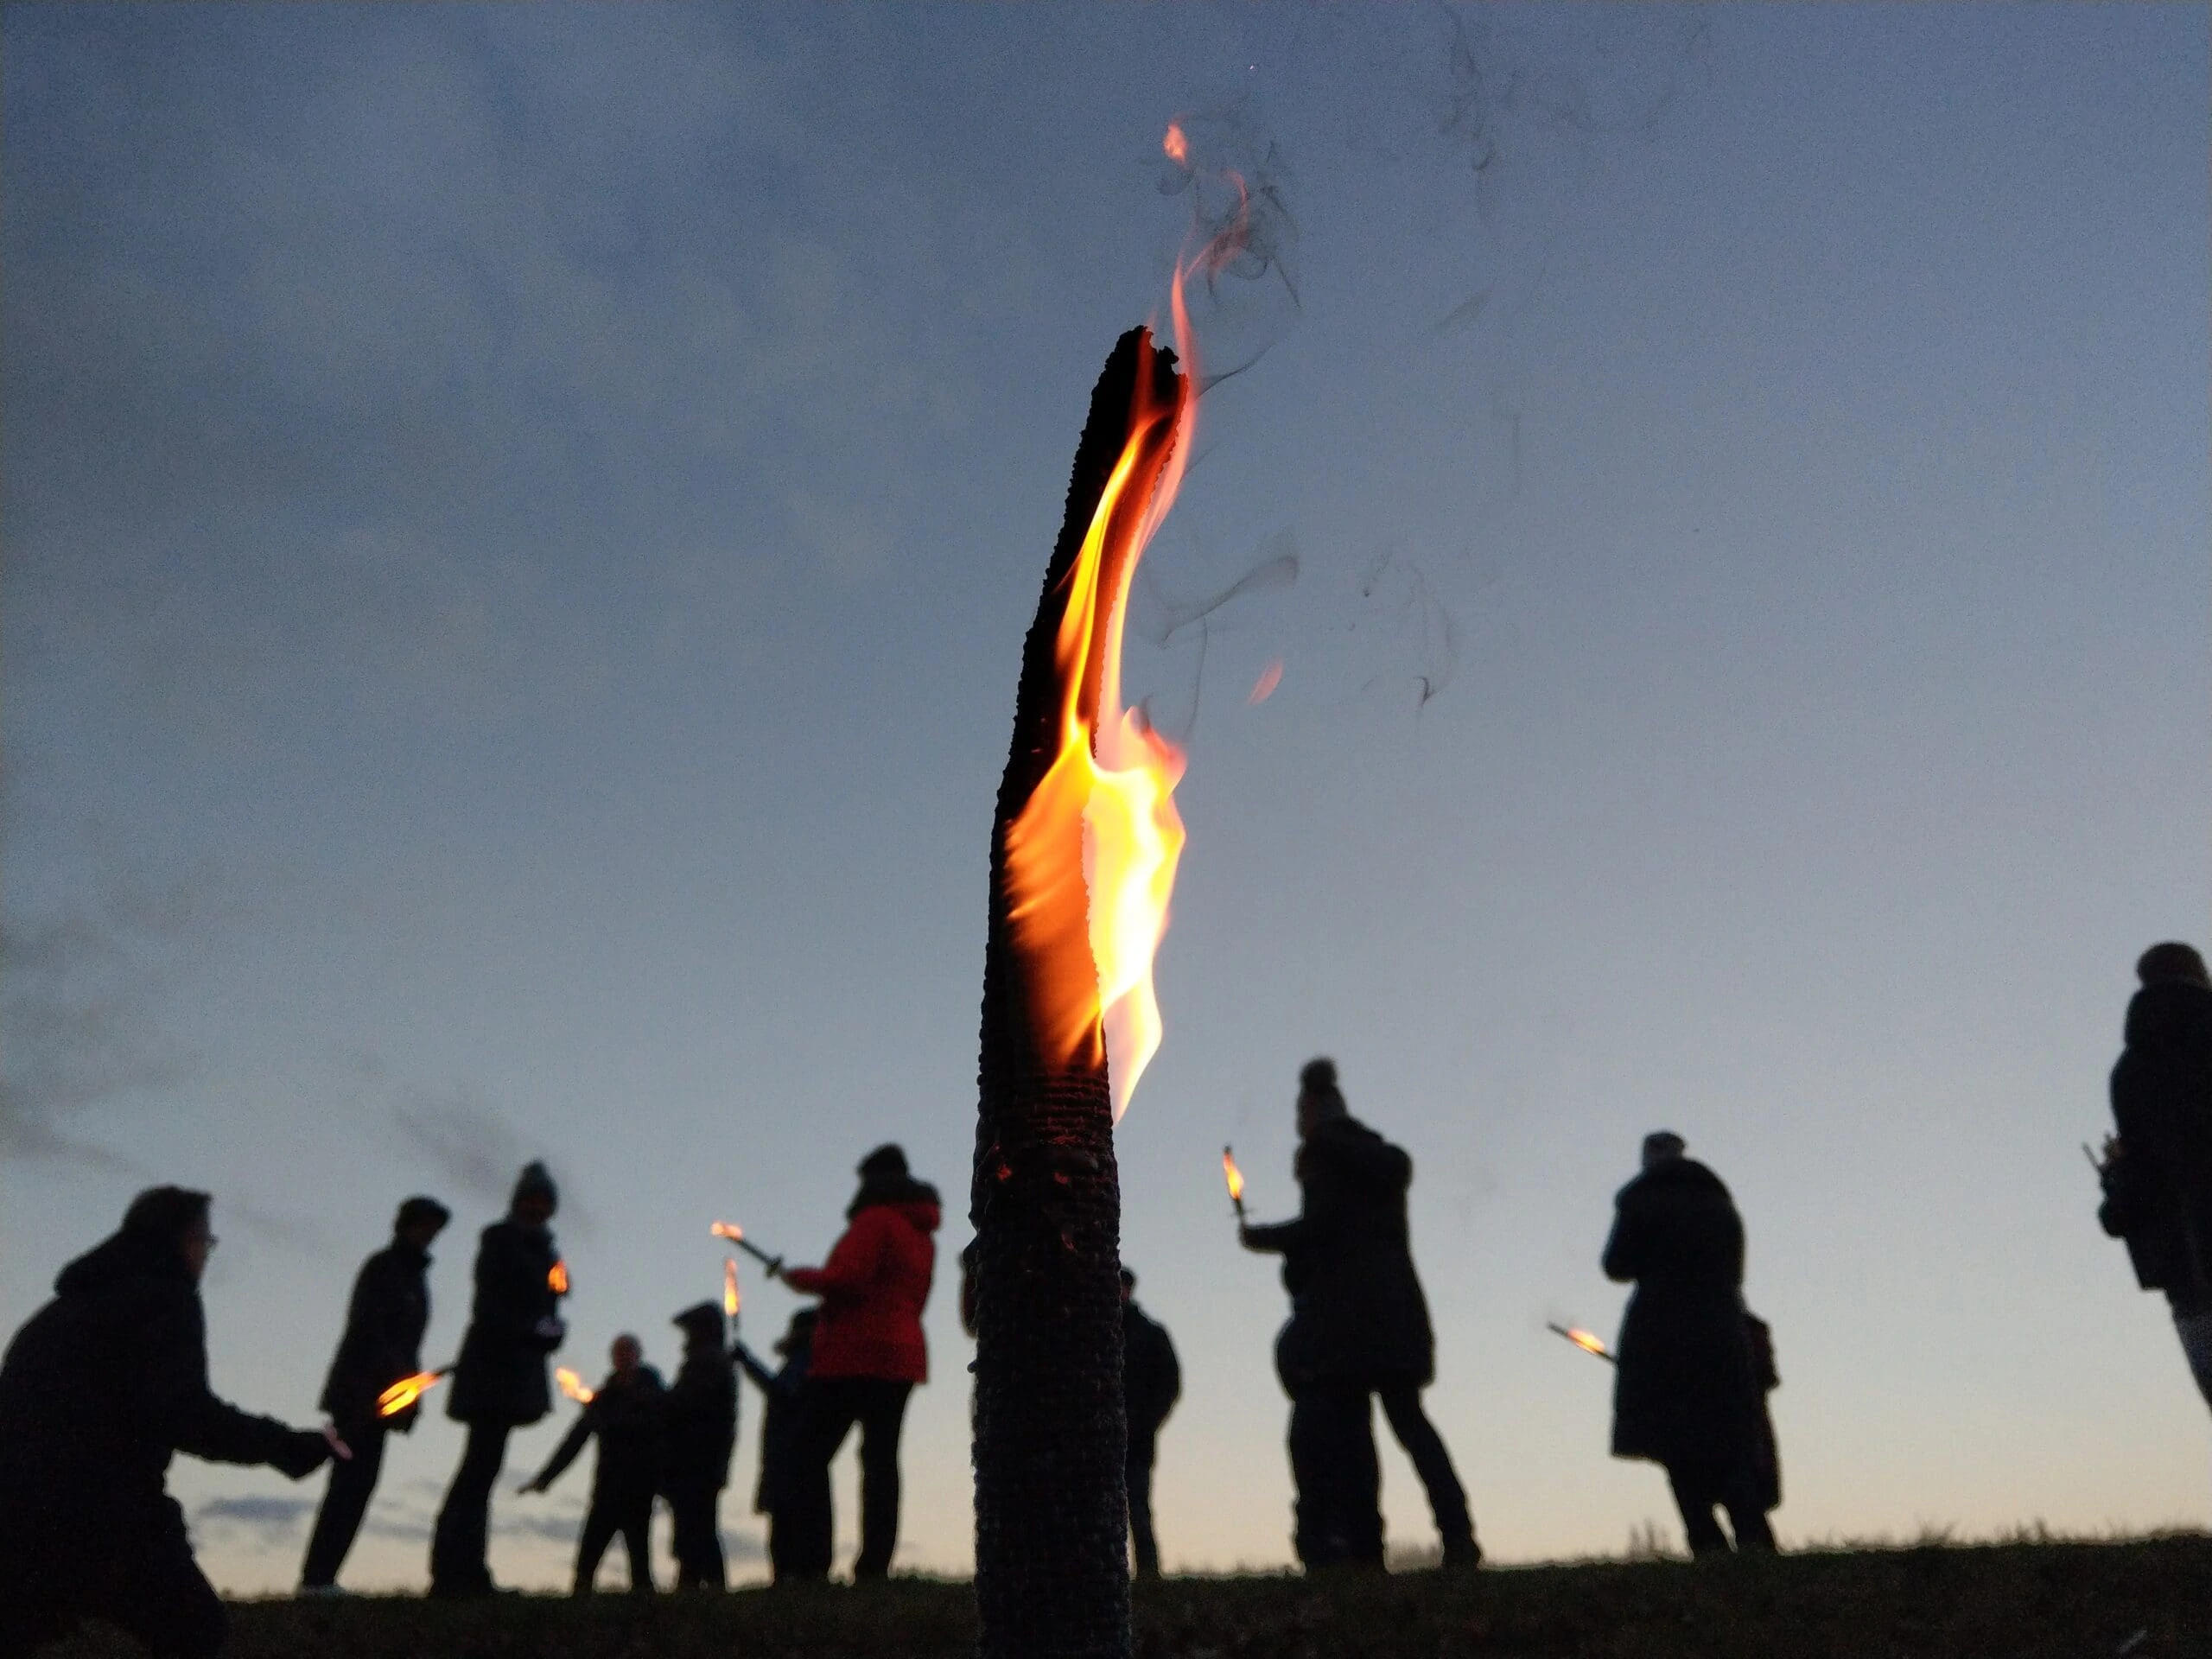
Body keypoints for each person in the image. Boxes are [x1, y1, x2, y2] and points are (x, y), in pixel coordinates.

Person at [0, 1187, 335, 1659]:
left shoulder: (57, 1314)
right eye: (205, 1240)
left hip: (16, 1512)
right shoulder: (165, 1297)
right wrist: (285, 1446)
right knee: (193, 1631)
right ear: (179, 1239)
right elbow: (185, 1413)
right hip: (108, 1513)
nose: (205, 1254)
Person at [1240, 1058, 1478, 1572]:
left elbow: (1321, 1229)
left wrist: (1261, 1238)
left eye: (1300, 1117)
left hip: (1345, 1324)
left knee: (1357, 1440)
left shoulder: (1324, 1158)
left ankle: (1368, 1550)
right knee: (1411, 1425)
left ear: (1313, 1114)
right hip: (1394, 1316)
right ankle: (1459, 1537)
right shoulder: (1379, 1160)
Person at [1602, 1131, 1776, 1557]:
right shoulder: (1721, 1205)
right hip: (1722, 1335)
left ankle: (1708, 1546)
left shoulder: (1640, 1199)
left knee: (1675, 1447)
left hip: (1659, 1339)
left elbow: (1616, 1265)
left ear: (1648, 1160)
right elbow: (1736, 1272)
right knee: (1728, 1444)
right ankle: (1756, 1545)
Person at [773, 1143, 941, 1581]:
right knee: (881, 1461)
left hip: (855, 1355)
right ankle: (874, 1567)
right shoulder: (921, 1234)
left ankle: (810, 1565)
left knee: (806, 1456)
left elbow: (849, 1281)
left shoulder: (876, 1220)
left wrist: (800, 1279)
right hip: (902, 1354)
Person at [429, 1160, 568, 1597]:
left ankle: (466, 1571)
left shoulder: (548, 1253)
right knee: (477, 1470)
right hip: (491, 1371)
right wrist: (533, 1330)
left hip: (514, 1373)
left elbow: (548, 1308)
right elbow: (488, 1309)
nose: (538, 1209)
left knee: (482, 1469)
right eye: (532, 1200)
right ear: (518, 1202)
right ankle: (455, 1572)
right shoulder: (499, 1240)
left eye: (545, 1202)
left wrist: (551, 1332)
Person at [299, 1194, 450, 1594]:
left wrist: (408, 1392)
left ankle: (321, 1578)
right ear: (406, 1225)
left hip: (385, 1398)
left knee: (358, 1484)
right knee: (349, 1483)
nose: (430, 1234)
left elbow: (406, 1345)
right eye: (424, 1225)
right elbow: (368, 1331)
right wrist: (396, 1383)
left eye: (435, 1228)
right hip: (360, 1395)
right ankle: (317, 1579)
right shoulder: (384, 1268)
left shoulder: (416, 1278)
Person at [2098, 941, 2212, 1408]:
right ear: (2201, 973)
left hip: (2184, 1271)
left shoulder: (2128, 1072)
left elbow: (2143, 1184)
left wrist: (2115, 1182)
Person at [522, 1333, 664, 1595]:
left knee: (640, 1564)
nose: (623, 1357)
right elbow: (574, 1441)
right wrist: (546, 1477)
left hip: (639, 1487)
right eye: (618, 1352)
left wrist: (613, 1424)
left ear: (637, 1355)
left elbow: (657, 1430)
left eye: (628, 1351)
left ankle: (646, 1619)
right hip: (607, 1488)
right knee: (587, 1561)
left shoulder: (653, 1393)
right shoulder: (604, 1399)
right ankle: (579, 1613)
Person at [734, 1306, 816, 1583]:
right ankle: (790, 1577)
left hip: (789, 1452)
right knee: (787, 1523)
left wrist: (747, 1362)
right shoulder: (804, 1361)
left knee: (786, 1524)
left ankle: (787, 1579)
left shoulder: (804, 1361)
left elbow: (782, 1393)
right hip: (788, 1451)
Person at [662, 1301, 739, 1590]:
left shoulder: (706, 1363)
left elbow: (683, 1405)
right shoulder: (713, 1362)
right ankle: (694, 1583)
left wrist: (656, 1402)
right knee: (697, 1527)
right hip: (702, 1461)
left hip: (697, 1461)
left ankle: (704, 1586)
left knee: (697, 1528)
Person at [1121, 1267, 1180, 1580]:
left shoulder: (1150, 1334)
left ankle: (1148, 1575)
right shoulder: (1090, 1333)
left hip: (1137, 1439)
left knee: (1138, 1509)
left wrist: (1146, 1421)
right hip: (1096, 1440)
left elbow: (1170, 1384)